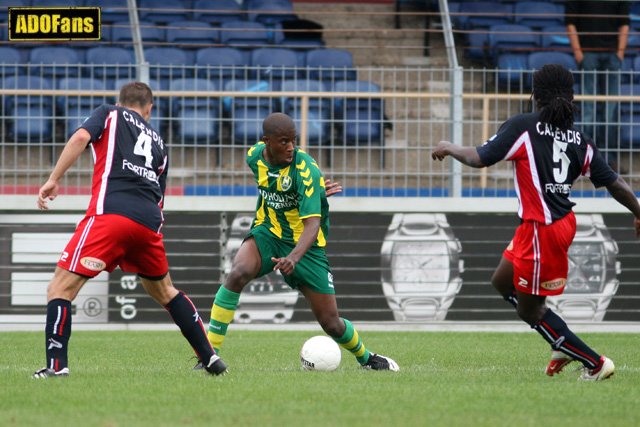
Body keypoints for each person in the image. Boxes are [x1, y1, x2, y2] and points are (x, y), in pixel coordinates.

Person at [432, 64, 640, 381]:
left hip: (543, 228)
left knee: (529, 310)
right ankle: (557, 339)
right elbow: (614, 183)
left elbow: (479, 158)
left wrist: (449, 147)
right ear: (570, 98)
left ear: (535, 96)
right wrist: (639, 212)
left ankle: (594, 363)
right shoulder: (579, 139)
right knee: (502, 281)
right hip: (554, 225)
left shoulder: (523, 127)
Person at [33, 82, 226, 378]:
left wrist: (53, 179)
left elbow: (81, 136)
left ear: (121, 101)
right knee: (165, 291)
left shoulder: (109, 113)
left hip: (111, 213)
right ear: (149, 109)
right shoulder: (160, 143)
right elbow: (160, 197)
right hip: (148, 223)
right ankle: (210, 357)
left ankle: (56, 367)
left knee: (60, 288)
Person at [204, 112, 399, 371]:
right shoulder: (254, 157)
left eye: (293, 141)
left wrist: (293, 257)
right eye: (284, 141)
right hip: (268, 233)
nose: (290, 147)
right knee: (237, 273)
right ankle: (208, 355)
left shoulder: (305, 169)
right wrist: (315, 191)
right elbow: (269, 188)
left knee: (331, 323)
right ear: (266, 142)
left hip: (306, 248)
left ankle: (367, 358)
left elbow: (312, 224)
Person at [565, 1, 630, 170]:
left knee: (611, 110)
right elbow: (570, 23)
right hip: (589, 54)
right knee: (588, 109)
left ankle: (608, 160)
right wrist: (578, 52)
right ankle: (585, 159)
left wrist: (620, 53)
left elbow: (624, 24)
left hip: (611, 56)